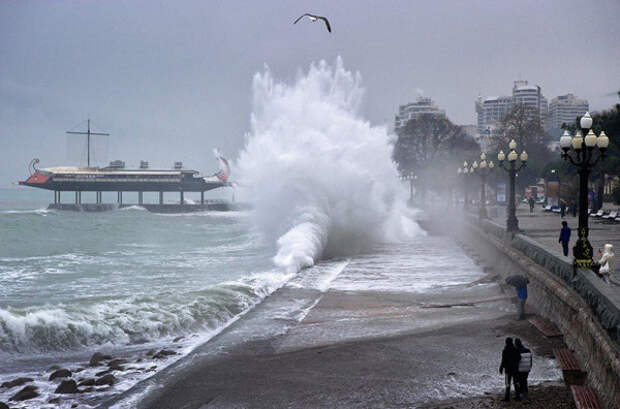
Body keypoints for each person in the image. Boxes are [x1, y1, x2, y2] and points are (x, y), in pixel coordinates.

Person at [499, 337, 521, 402]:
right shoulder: (516, 349)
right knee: (516, 382)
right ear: (511, 342)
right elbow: (519, 358)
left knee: (507, 384)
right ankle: (518, 396)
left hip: (508, 370)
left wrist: (501, 368)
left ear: (506, 342)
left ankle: (507, 397)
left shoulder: (505, 350)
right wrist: (516, 363)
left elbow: (503, 360)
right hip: (515, 369)